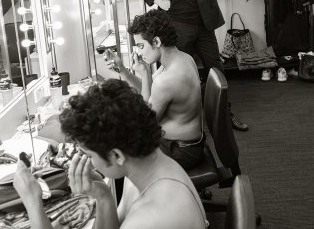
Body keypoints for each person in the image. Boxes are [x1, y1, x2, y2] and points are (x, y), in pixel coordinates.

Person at [13, 79, 208, 229]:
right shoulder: (149, 167)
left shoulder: (151, 218)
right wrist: (103, 194)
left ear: (116, 155)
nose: (89, 163)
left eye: (89, 156)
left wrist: (33, 203)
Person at [133, 0, 248, 131]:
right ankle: (176, 118)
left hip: (204, 26)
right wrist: (159, 1)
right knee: (173, 72)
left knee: (216, 70)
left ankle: (225, 114)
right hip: (175, 27)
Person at [106, 9, 204, 170]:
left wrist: (144, 74)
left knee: (120, 151)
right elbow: (150, 90)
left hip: (180, 151)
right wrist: (123, 70)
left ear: (156, 42)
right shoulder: (182, 59)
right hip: (183, 144)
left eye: (140, 45)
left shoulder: (169, 79)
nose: (138, 51)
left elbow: (145, 123)